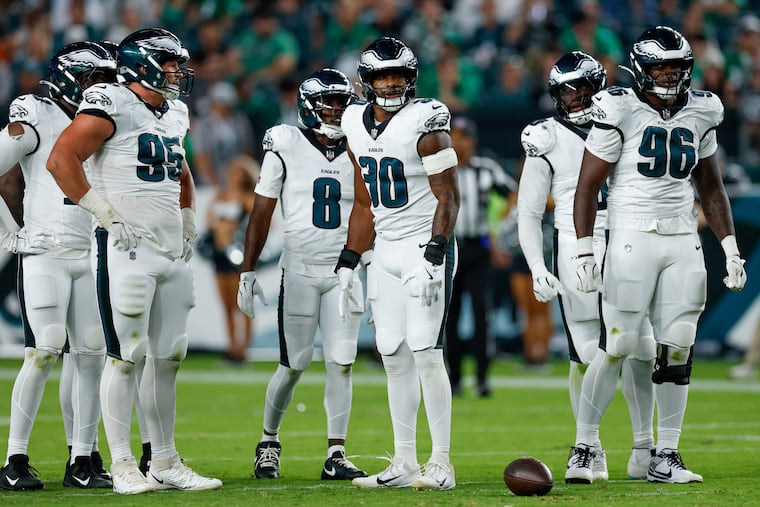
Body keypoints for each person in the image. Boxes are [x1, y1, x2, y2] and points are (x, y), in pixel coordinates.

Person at [46, 28, 222, 494]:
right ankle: (123, 463)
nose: (178, 73)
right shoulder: (110, 100)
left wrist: (187, 215)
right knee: (126, 357)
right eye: (169, 64)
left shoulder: (174, 111)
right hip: (126, 248)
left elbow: (179, 167)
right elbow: (62, 158)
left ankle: (163, 460)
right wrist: (101, 212)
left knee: (169, 358)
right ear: (142, 64)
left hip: (168, 249)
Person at [571, 26, 747, 484]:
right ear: (642, 70)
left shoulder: (703, 110)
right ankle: (586, 446)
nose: (670, 76)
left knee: (679, 347)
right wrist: (585, 249)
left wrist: (729, 247)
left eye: (677, 67)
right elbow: (587, 187)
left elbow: (710, 185)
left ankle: (664, 454)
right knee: (620, 343)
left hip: (681, 236)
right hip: (631, 233)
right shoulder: (620, 108)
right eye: (661, 67)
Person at [517, 51, 656, 483]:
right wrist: (537, 266)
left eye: (581, 87)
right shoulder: (546, 135)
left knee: (640, 346)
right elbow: (527, 211)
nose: (575, 96)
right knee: (584, 353)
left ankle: (644, 448)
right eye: (566, 89)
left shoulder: (629, 117)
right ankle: (589, 448)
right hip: (574, 242)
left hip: (627, 237)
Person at [335, 37, 460, 491]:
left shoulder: (426, 122)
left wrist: (435, 252)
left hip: (422, 247)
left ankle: (441, 463)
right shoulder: (351, 120)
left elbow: (449, 195)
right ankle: (405, 461)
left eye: (399, 76)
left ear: (412, 79)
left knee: (426, 349)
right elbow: (366, 199)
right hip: (384, 249)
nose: (391, 83)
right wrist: (350, 260)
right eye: (383, 76)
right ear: (366, 82)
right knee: (391, 352)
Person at [237, 68, 368, 482]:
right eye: (328, 101)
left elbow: (370, 210)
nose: (336, 109)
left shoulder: (361, 145)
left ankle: (336, 451)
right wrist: (248, 268)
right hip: (298, 270)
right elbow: (262, 209)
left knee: (343, 361)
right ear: (308, 104)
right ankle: (268, 442)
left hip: (343, 270)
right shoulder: (286, 141)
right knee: (294, 364)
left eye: (341, 101)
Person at [0, 41, 118, 491]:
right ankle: (14, 458)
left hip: (88, 250)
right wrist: (9, 231)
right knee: (45, 348)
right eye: (96, 79)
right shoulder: (38, 112)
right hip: (46, 250)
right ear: (73, 77)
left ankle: (82, 459)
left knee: (90, 355)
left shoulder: (102, 120)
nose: (103, 88)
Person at [445, 115, 513, 398]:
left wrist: (500, 232)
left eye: (461, 136)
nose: (457, 142)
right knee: (450, 315)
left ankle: (482, 378)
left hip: (478, 246)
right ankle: (456, 377)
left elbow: (513, 195)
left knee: (481, 313)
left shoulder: (486, 169)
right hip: (450, 246)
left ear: (471, 140)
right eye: (453, 136)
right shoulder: (440, 169)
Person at [205, 154, 259, 364]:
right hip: (220, 254)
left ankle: (244, 348)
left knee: (243, 304)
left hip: (238, 255)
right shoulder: (221, 194)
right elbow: (209, 219)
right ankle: (232, 347)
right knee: (227, 305)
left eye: (240, 172)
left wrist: (237, 230)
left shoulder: (248, 197)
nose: (235, 176)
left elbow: (264, 222)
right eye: (233, 171)